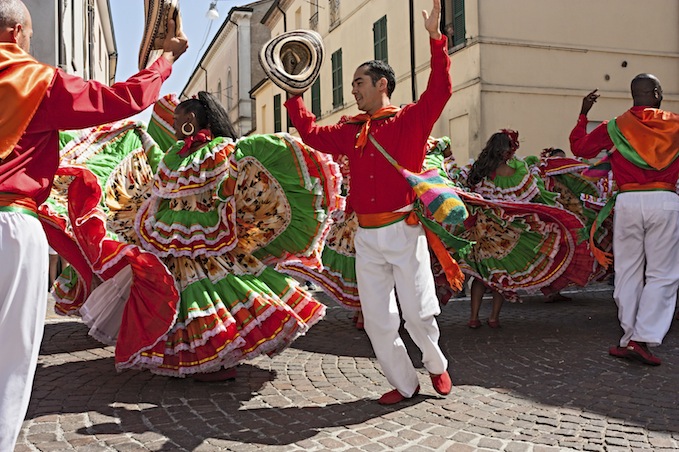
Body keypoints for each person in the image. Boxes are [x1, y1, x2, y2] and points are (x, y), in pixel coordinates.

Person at [48, 91, 341, 381]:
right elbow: (159, 181)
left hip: (210, 236)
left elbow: (226, 185)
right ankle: (205, 359)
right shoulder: (175, 155)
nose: (174, 127)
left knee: (207, 297)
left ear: (190, 120)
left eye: (177, 121)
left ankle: (219, 358)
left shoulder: (220, 149)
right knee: (183, 299)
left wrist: (226, 192)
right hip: (173, 236)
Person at [0, 0, 188, 447]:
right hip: (10, 223)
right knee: (10, 357)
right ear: (19, 33)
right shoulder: (34, 79)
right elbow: (121, 99)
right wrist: (164, 60)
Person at [285, 0, 452, 405]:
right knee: (378, 319)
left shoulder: (410, 119)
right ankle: (404, 383)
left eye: (359, 81)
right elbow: (309, 133)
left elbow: (441, 90)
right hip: (366, 235)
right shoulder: (349, 130)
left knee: (418, 314)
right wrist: (294, 94)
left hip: (404, 230)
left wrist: (435, 41)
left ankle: (436, 365)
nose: (353, 88)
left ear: (382, 84)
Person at [570, 75, 679, 366]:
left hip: (628, 201)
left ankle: (628, 336)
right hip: (665, 200)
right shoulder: (676, 124)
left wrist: (583, 115)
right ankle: (640, 338)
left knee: (628, 271)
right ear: (657, 93)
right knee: (662, 274)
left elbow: (580, 148)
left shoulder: (615, 126)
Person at [453, 130, 594, 328]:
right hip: (506, 233)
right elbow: (531, 196)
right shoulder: (517, 173)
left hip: (482, 230)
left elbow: (461, 184)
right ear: (509, 152)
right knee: (499, 277)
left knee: (480, 276)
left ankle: (474, 318)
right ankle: (493, 318)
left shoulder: (476, 170)